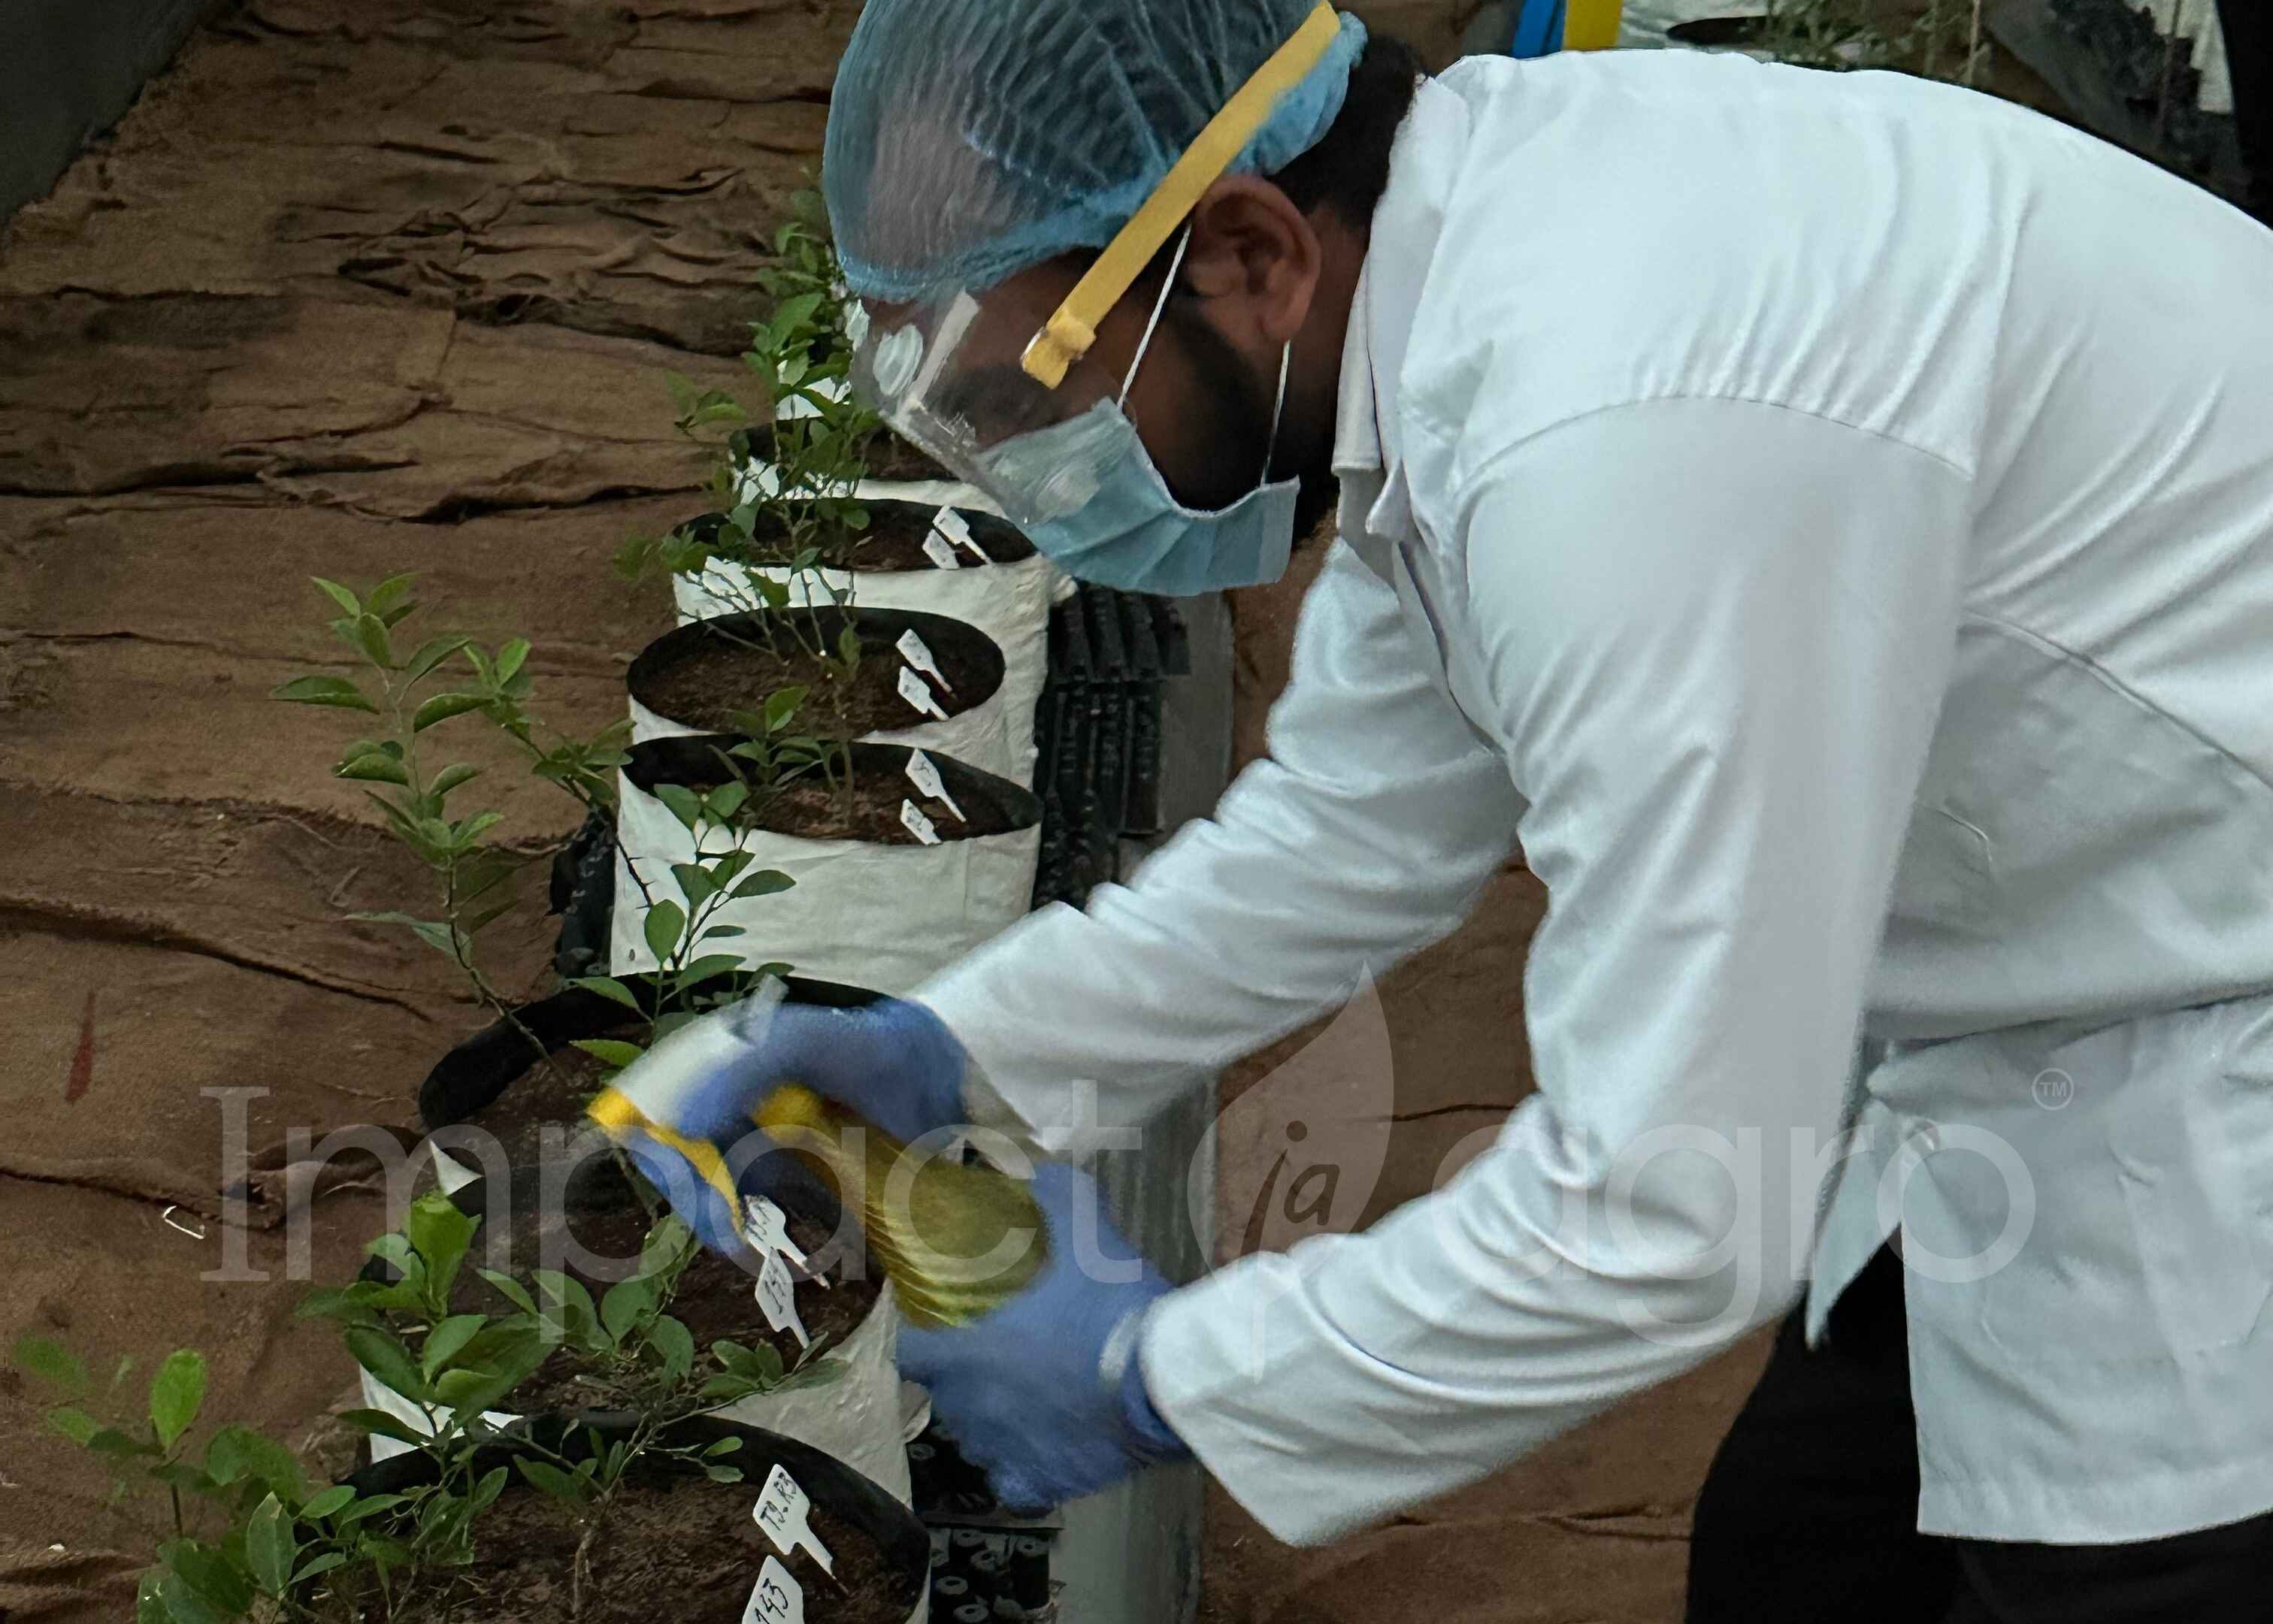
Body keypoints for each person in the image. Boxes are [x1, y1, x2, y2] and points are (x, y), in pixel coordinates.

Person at [622, 3, 2273, 1617]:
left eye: (1030, 408)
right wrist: (955, 1047)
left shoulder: (1617, 436)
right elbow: (1352, 827)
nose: (1029, 485)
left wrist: (1154, 1375)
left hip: (2211, 1063)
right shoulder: (1469, 286)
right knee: (1801, 1552)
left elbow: (1670, 1198)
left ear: (1249, 254)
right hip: (2063, 983)